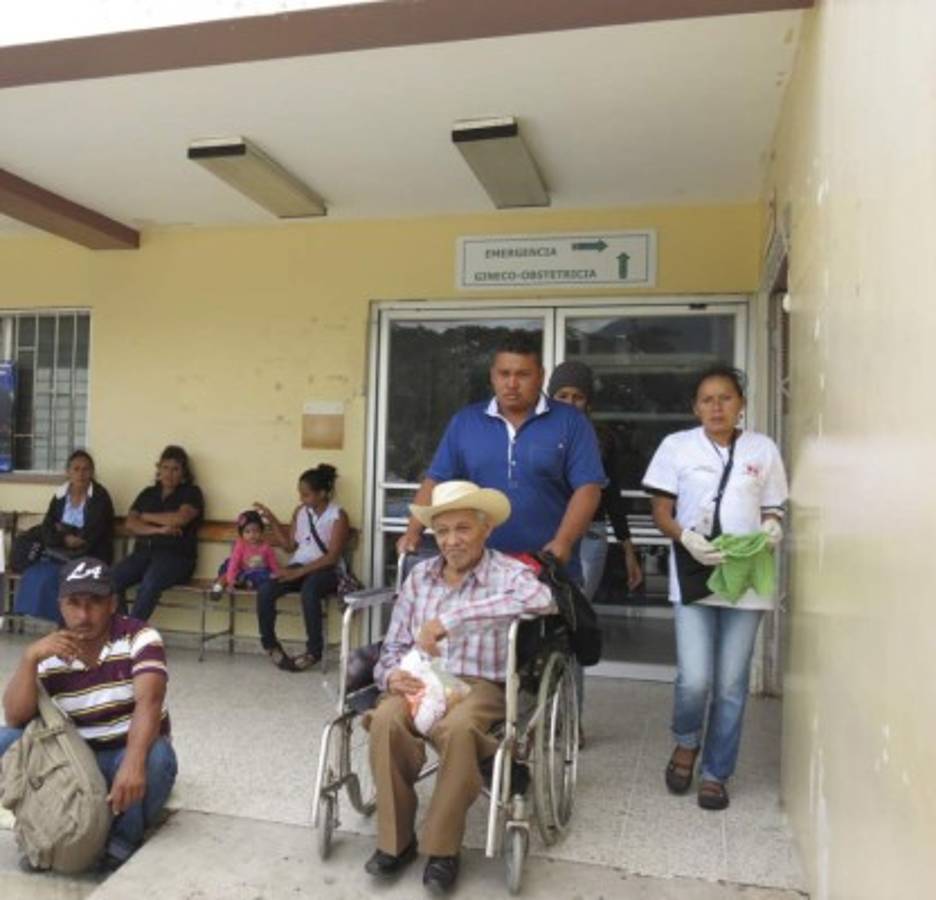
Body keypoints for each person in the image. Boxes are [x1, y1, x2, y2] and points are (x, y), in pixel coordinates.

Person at [365, 480, 555, 894]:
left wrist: (455, 618)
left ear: (486, 528)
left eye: (463, 529)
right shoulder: (420, 576)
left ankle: (442, 849)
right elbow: (394, 644)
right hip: (423, 678)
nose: (452, 541)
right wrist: (390, 674)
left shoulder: (508, 572)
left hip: (479, 684)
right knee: (385, 719)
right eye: (442, 531)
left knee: (458, 728)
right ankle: (396, 842)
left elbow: (543, 600)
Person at [642, 365, 787, 811]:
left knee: (730, 683)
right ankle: (686, 742)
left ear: (741, 404)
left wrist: (772, 524)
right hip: (695, 570)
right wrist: (685, 537)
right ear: (695, 407)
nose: (716, 407)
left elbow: (774, 505)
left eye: (726, 398)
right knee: (695, 678)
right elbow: (661, 511)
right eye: (707, 399)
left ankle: (716, 772)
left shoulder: (762, 448)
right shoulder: (677, 446)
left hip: (746, 574)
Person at [1, 557, 177, 870]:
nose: (83, 615)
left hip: (122, 753)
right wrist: (29, 659)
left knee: (158, 758)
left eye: (94, 603)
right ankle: (44, 829)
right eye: (73, 603)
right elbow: (15, 717)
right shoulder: (51, 651)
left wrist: (133, 764)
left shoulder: (139, 637)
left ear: (112, 604)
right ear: (60, 604)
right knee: (5, 741)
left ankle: (120, 841)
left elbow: (149, 703)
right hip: (73, 761)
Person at [397, 331, 606, 584]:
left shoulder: (572, 422)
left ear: (541, 376)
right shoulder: (465, 422)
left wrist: (564, 541)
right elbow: (436, 480)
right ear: (492, 376)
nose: (512, 383)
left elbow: (588, 488)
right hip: (478, 572)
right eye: (504, 374)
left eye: (522, 374)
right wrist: (412, 532)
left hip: (548, 569)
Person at [547, 360, 643, 600]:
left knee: (578, 607)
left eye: (578, 397)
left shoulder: (601, 438)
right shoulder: (535, 436)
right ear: (550, 398)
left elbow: (613, 497)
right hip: (547, 531)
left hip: (591, 534)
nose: (570, 403)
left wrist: (628, 550)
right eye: (562, 396)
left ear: (588, 402)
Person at [253, 464, 350, 672]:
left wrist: (297, 572)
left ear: (322, 493)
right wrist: (271, 519)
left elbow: (332, 557)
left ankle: (313, 651)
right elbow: (289, 546)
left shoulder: (338, 516)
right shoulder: (301, 512)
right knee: (267, 589)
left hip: (326, 570)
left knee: (310, 589)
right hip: (300, 567)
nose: (301, 499)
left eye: (306, 494)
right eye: (300, 494)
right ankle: (270, 645)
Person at [14, 449, 115, 622]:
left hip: (91, 554)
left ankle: (66, 623)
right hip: (60, 552)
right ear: (68, 472)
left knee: (58, 576)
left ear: (92, 472)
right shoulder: (61, 495)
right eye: (76, 469)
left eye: (86, 469)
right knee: (35, 573)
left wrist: (62, 529)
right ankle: (51, 622)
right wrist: (63, 538)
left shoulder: (100, 497)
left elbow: (90, 534)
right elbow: (47, 527)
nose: (81, 474)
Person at [111, 445, 204, 621]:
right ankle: (123, 628)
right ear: (158, 469)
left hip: (176, 557)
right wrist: (158, 529)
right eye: (165, 467)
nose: (169, 474)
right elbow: (131, 523)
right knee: (111, 579)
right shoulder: (148, 493)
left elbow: (180, 519)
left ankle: (132, 631)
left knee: (150, 582)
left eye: (175, 469)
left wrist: (145, 516)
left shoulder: (191, 493)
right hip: (143, 553)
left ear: (184, 472)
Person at [211, 509, 281, 595]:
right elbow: (234, 564)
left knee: (265, 575)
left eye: (256, 531)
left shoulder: (266, 547)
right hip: (240, 570)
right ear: (241, 533)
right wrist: (231, 581)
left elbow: (273, 563)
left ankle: (244, 584)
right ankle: (218, 587)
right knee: (228, 569)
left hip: (256, 572)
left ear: (261, 531)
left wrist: (278, 573)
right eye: (247, 532)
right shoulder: (240, 545)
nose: (252, 535)